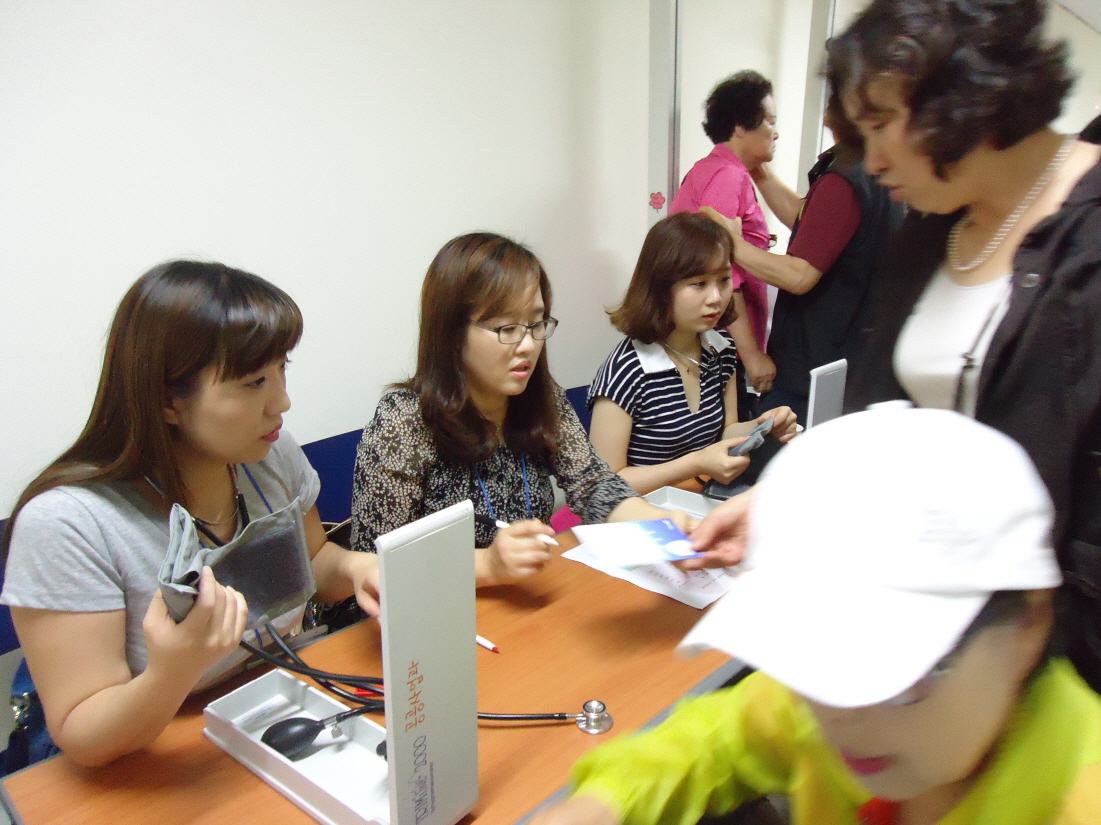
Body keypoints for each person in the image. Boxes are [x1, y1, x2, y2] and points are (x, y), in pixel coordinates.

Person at [531, 408, 1101, 825]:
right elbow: (721, 736)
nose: (841, 717)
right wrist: (602, 804)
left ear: (1029, 624)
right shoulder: (826, 707)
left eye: (901, 678)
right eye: (813, 661)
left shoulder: (1078, 796)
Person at [818, 0, 1101, 693]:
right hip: (928, 628)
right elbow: (888, 423)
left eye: (881, 124)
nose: (872, 161)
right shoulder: (925, 237)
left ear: (964, 94)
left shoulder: (1087, 235)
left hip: (1059, 653)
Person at [0, 261, 381, 767]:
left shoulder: (269, 455)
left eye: (281, 369)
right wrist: (172, 670)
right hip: (141, 756)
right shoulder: (69, 525)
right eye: (253, 382)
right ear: (167, 401)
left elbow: (313, 562)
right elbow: (83, 734)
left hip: (262, 708)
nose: (282, 402)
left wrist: (357, 567)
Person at [350, 232, 690, 585]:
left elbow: (593, 485)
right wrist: (487, 564)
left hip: (527, 595)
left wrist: (658, 522)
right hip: (441, 605)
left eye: (536, 324)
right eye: (506, 327)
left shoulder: (540, 397)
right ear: (452, 332)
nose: (528, 344)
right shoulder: (405, 421)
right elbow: (375, 564)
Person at [708, 90, 904, 425]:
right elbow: (815, 228)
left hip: (816, 367)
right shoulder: (870, 170)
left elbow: (799, 275)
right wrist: (758, 169)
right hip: (851, 359)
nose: (775, 131)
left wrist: (729, 241)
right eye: (769, 121)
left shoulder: (848, 175)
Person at [587, 212, 797, 495]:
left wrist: (761, 427)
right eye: (699, 284)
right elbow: (604, 486)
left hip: (697, 499)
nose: (716, 298)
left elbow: (726, 431)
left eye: (724, 280)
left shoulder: (721, 349)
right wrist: (695, 464)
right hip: (642, 512)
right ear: (660, 287)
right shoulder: (625, 371)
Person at [669, 70, 778, 415]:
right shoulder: (727, 177)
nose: (776, 132)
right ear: (741, 126)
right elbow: (723, 276)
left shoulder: (714, 169)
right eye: (770, 121)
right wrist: (752, 355)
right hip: (719, 345)